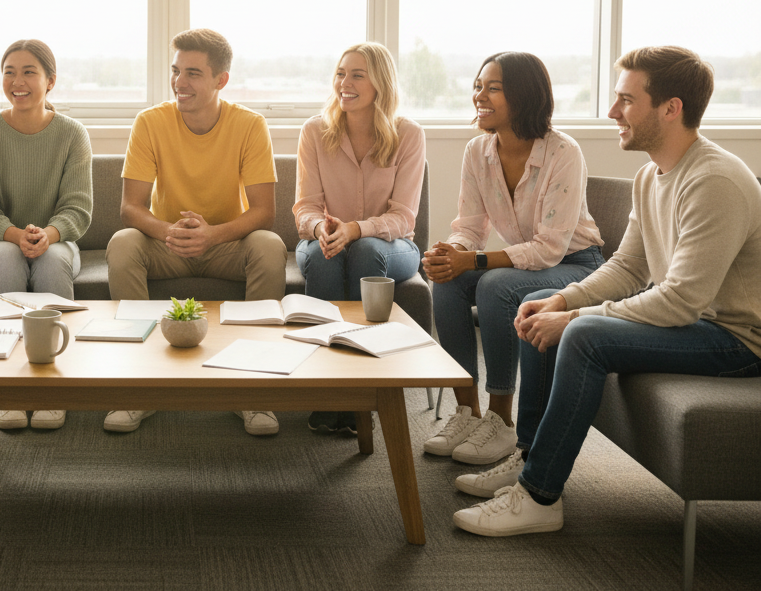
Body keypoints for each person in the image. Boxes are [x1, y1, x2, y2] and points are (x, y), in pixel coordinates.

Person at [453, 45, 761, 536]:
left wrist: (574, 320)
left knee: (584, 336)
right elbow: (628, 266)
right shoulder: (650, 175)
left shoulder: (714, 180)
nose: (613, 112)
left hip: (736, 341)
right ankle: (530, 454)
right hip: (697, 324)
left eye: (625, 100)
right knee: (549, 314)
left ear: (670, 108)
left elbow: (681, 299)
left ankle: (539, 496)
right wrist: (561, 300)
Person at [422, 52, 604, 465]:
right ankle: (467, 411)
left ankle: (500, 419)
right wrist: (453, 251)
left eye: (493, 88)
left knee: (494, 285)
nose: (479, 96)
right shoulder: (477, 151)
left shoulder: (563, 152)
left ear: (524, 96)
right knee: (447, 278)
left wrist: (477, 261)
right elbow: (468, 225)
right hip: (519, 261)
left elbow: (549, 249)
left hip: (576, 265)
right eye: (477, 86)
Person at [105, 28, 285, 436]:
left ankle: (254, 393)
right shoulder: (150, 123)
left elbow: (264, 213)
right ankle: (136, 389)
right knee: (122, 244)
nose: (179, 83)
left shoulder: (250, 125)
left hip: (226, 243)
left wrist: (213, 235)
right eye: (175, 71)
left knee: (270, 247)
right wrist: (169, 231)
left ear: (221, 79)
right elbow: (130, 207)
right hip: (165, 243)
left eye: (193, 73)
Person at [293, 43, 426, 435]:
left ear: (380, 83)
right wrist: (323, 229)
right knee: (324, 255)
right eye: (339, 73)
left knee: (366, 251)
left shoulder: (408, 134)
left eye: (356, 75)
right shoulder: (315, 131)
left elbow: (403, 217)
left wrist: (356, 229)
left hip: (392, 246)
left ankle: (366, 391)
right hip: (326, 241)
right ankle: (326, 390)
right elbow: (305, 208)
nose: (344, 83)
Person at [0, 39, 92, 431]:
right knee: (7, 257)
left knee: (50, 262)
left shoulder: (72, 134)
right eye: (9, 72)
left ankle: (54, 388)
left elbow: (79, 209)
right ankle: (2, 388)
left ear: (50, 81)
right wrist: (17, 235)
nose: (18, 81)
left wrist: (47, 235)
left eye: (29, 72)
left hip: (56, 241)